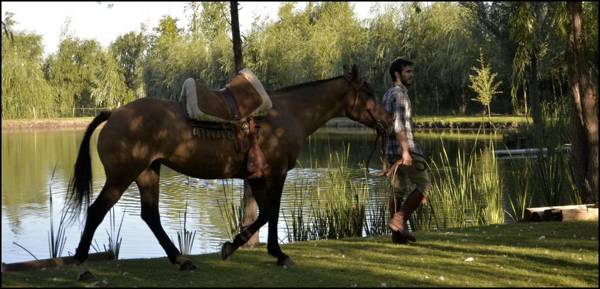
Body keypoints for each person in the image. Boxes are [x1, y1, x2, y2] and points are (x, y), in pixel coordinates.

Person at [382, 57, 431, 244]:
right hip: (405, 149)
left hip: (390, 151)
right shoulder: (400, 95)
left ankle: (397, 236)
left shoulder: (387, 94)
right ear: (397, 74)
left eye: (412, 71)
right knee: (424, 184)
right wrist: (405, 152)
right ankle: (399, 220)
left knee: (398, 191)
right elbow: (398, 125)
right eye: (408, 72)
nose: (412, 75)